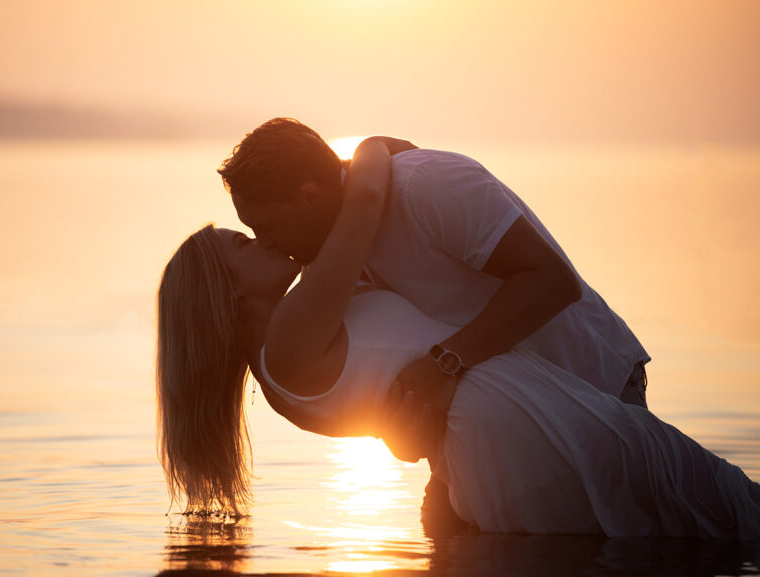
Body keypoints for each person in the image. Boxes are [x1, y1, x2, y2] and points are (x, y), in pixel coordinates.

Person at [156, 139, 760, 560]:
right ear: (226, 294)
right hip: (521, 426)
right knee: (706, 523)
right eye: (249, 242)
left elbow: (395, 398)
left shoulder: (311, 318)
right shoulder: (298, 325)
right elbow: (366, 203)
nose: (269, 244)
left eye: (261, 229)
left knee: (684, 521)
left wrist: (428, 392)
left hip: (567, 390)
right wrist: (373, 145)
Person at [217, 117, 651, 512]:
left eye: (266, 227)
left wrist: (445, 362)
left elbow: (553, 282)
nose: (266, 243)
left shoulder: (424, 186)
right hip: (505, 427)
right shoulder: (328, 270)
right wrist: (404, 434)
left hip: (594, 383)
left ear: (309, 197)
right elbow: (395, 387)